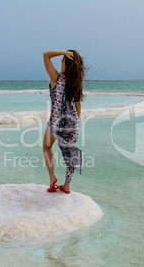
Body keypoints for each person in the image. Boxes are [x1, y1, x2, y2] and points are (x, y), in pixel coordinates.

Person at [42, 50, 85, 194]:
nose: (60, 61)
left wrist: (63, 52)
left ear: (67, 62)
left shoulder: (56, 78)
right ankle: (67, 185)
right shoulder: (76, 83)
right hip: (72, 123)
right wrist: (76, 124)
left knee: (46, 147)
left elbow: (46, 55)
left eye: (62, 59)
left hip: (56, 123)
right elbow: (78, 105)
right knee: (71, 154)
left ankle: (52, 178)